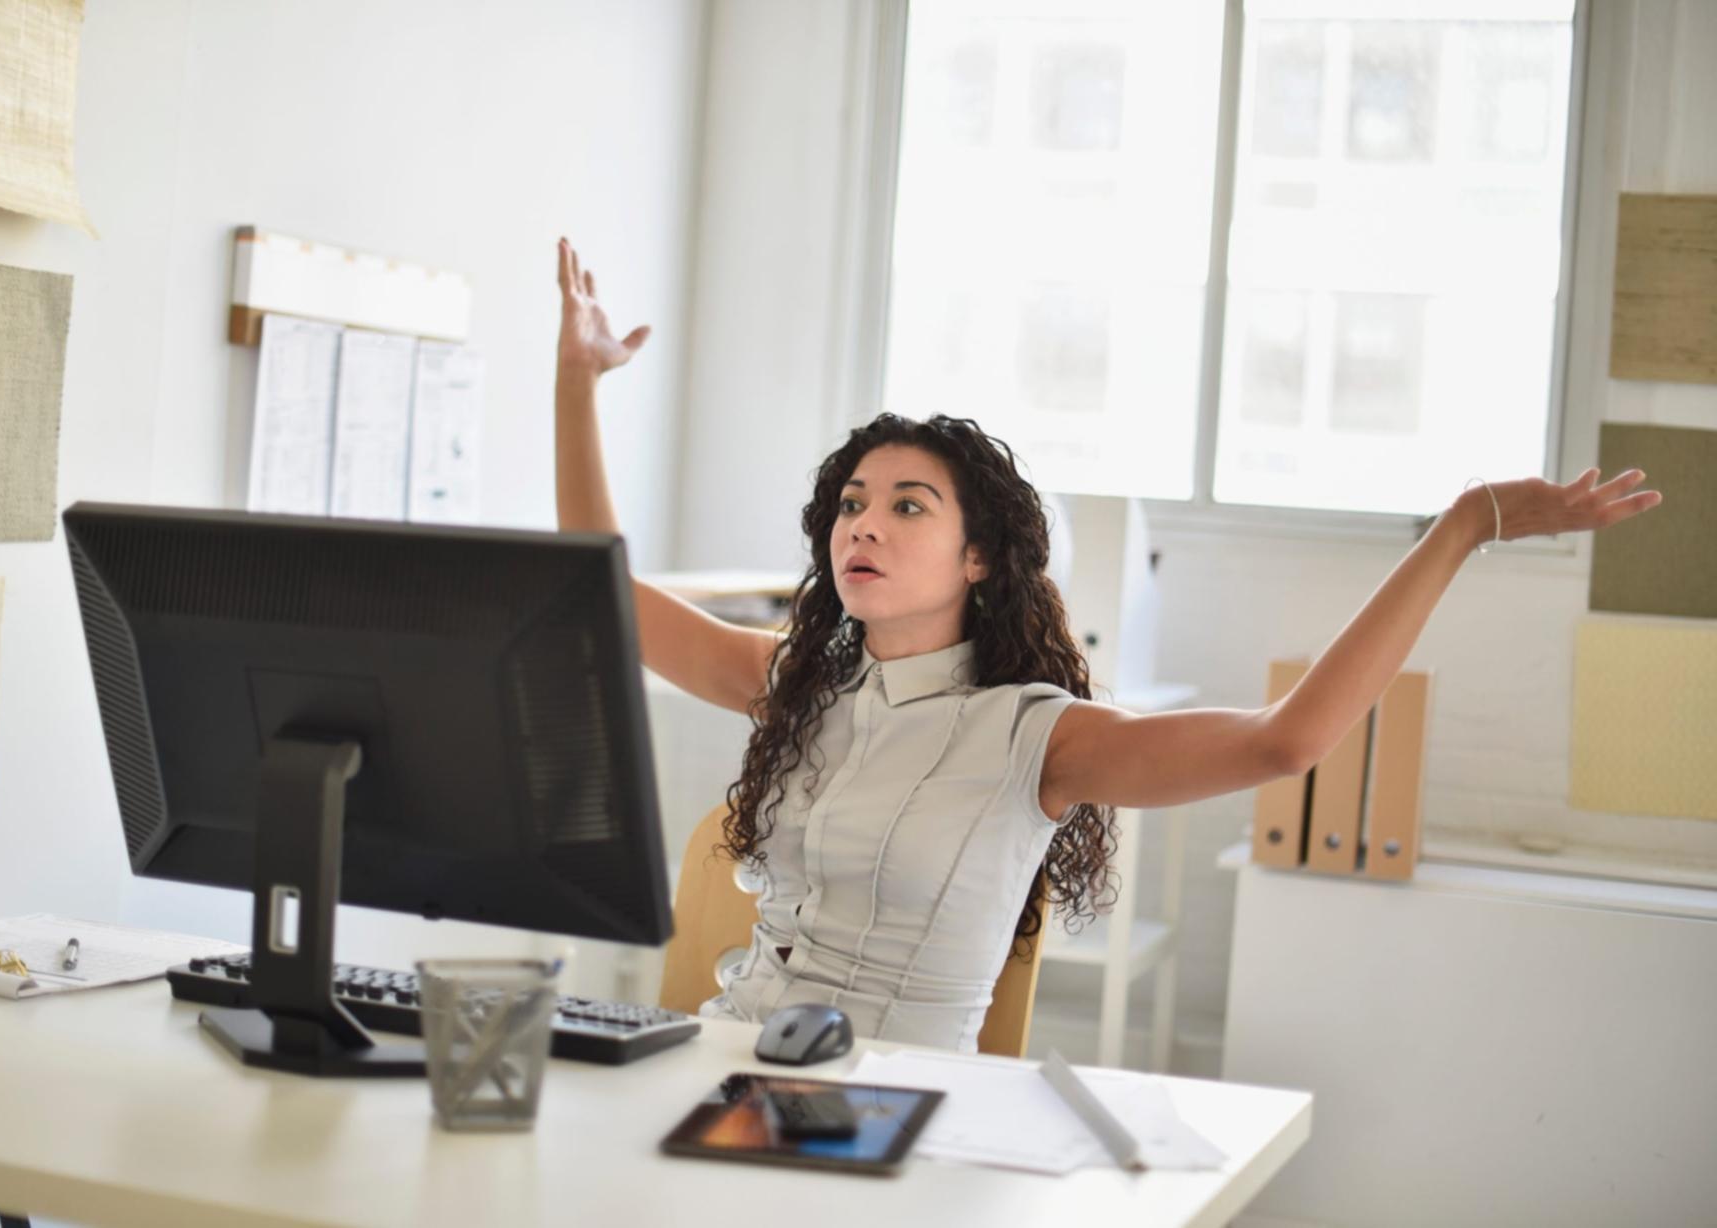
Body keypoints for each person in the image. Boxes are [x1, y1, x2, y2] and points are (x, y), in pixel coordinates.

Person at [551, 237, 1663, 1053]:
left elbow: (1290, 740)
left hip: (882, 1116)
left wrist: (1464, 525)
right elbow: (596, 589)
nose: (864, 525)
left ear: (980, 557)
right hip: (724, 1068)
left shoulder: (1036, 736)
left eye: (906, 505)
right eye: (851, 502)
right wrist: (579, 383)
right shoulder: (796, 684)